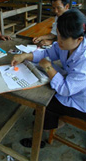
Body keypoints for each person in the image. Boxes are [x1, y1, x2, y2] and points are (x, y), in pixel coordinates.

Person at [11, 9, 86, 148]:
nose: (58, 40)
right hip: (73, 88)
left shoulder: (84, 60)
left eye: (63, 38)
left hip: (82, 101)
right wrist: (25, 56)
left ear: (79, 39)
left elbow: (65, 89)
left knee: (44, 102)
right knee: (45, 90)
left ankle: (40, 136)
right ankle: (51, 122)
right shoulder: (67, 44)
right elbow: (47, 52)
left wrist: (48, 68)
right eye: (57, 35)